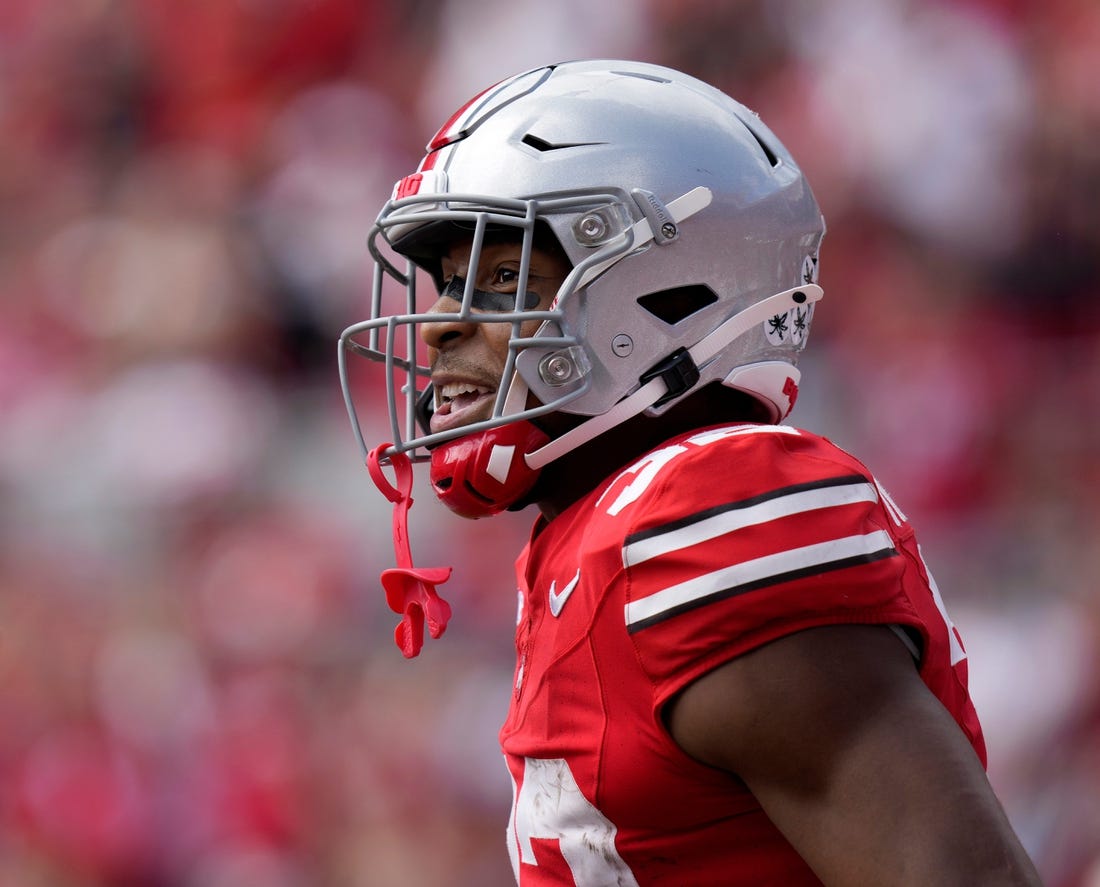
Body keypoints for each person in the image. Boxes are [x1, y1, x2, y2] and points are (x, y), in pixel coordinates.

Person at [338, 60, 1041, 886]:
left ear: (665, 292)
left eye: (501, 280)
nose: (441, 329)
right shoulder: (590, 536)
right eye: (453, 282)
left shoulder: (703, 509)